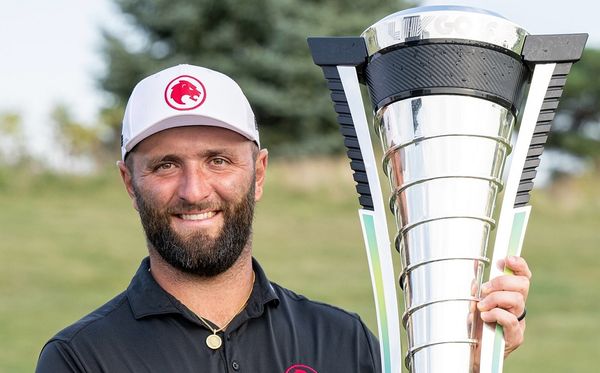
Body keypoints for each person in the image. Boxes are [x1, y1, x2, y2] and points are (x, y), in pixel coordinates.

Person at [36, 64, 531, 372]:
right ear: (129, 182)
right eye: (165, 165)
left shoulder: (343, 342)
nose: (194, 190)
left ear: (259, 173)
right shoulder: (82, 358)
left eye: (218, 160)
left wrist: (467, 361)